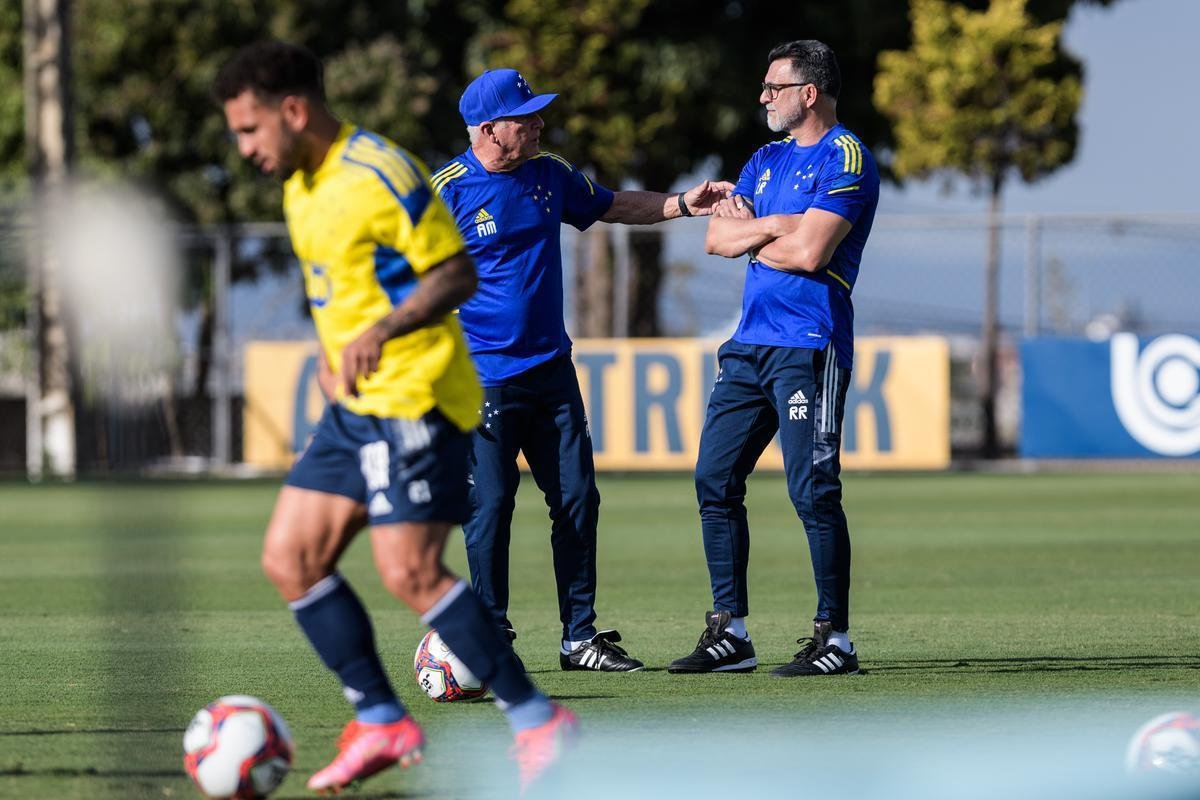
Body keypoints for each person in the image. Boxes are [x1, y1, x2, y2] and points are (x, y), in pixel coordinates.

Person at [213, 42, 576, 794]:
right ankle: (381, 719)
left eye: (249, 130)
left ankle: (539, 721)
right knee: (291, 558)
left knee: (409, 570)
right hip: (357, 404)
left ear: (292, 111)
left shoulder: (378, 170)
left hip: (416, 394)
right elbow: (345, 286)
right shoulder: (299, 185)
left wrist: (380, 333)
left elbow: (454, 271)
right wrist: (337, 347)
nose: (243, 148)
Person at [431, 68, 732, 672]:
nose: (540, 122)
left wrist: (681, 205)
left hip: (551, 372)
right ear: (488, 130)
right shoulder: (445, 192)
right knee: (490, 505)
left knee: (577, 500)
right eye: (526, 116)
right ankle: (491, 635)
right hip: (481, 378)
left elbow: (613, 204)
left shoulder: (551, 173)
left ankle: (580, 637)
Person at [666, 40, 880, 677]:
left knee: (812, 490)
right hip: (749, 347)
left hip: (809, 345)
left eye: (774, 87)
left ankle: (834, 639)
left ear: (808, 93)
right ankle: (730, 632)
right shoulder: (762, 159)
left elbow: (811, 254)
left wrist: (758, 231)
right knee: (713, 479)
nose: (763, 97)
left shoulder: (848, 156)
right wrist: (781, 226)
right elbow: (715, 238)